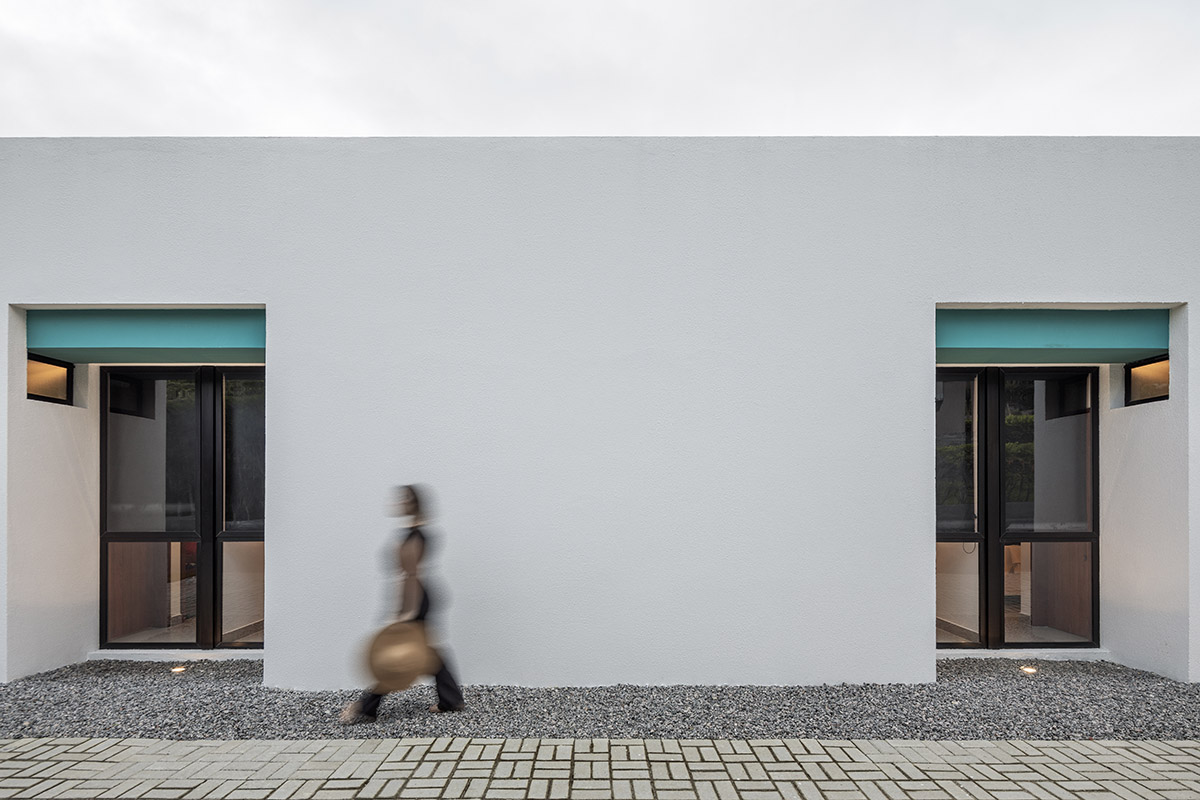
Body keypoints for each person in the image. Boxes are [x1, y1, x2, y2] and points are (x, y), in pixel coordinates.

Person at [340, 484, 465, 723]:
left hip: (416, 599)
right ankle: (452, 700)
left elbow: (412, 576)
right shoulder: (415, 531)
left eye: (403, 499)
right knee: (429, 651)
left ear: (412, 503)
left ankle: (366, 708)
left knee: (392, 654)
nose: (398, 503)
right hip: (418, 597)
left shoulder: (415, 535)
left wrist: (406, 612)